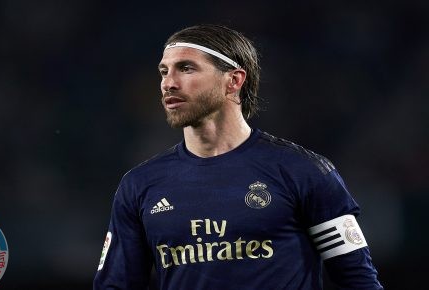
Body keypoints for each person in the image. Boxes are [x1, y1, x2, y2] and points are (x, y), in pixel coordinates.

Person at [94, 24, 383, 290]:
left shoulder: (303, 171)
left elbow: (358, 280)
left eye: (186, 68)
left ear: (233, 80)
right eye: (163, 71)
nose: (169, 83)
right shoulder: (140, 185)